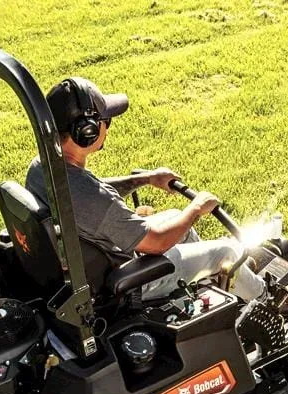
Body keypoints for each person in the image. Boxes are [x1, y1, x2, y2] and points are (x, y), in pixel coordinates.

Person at [24, 77, 266, 301]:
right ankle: (269, 301)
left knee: (173, 217)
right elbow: (157, 242)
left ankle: (213, 283)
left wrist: (147, 179)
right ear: (88, 132)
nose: (108, 127)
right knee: (225, 251)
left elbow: (95, 191)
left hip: (94, 265)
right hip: (130, 282)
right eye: (105, 121)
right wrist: (195, 209)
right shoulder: (92, 199)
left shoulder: (42, 167)